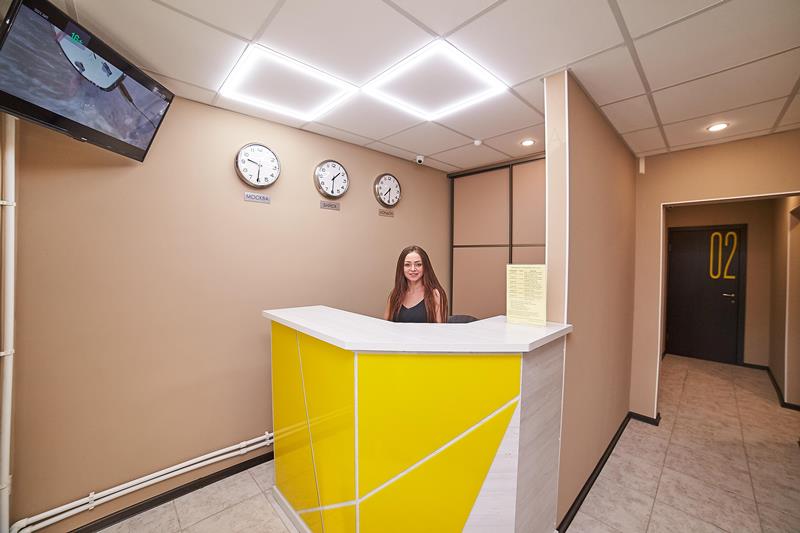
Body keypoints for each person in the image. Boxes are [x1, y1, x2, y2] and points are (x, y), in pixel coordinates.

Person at [384, 245, 448, 323]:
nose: (413, 269)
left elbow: (440, 329)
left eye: (418, 264)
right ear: (401, 268)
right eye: (407, 265)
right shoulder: (395, 295)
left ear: (425, 267)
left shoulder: (435, 294)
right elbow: (386, 326)